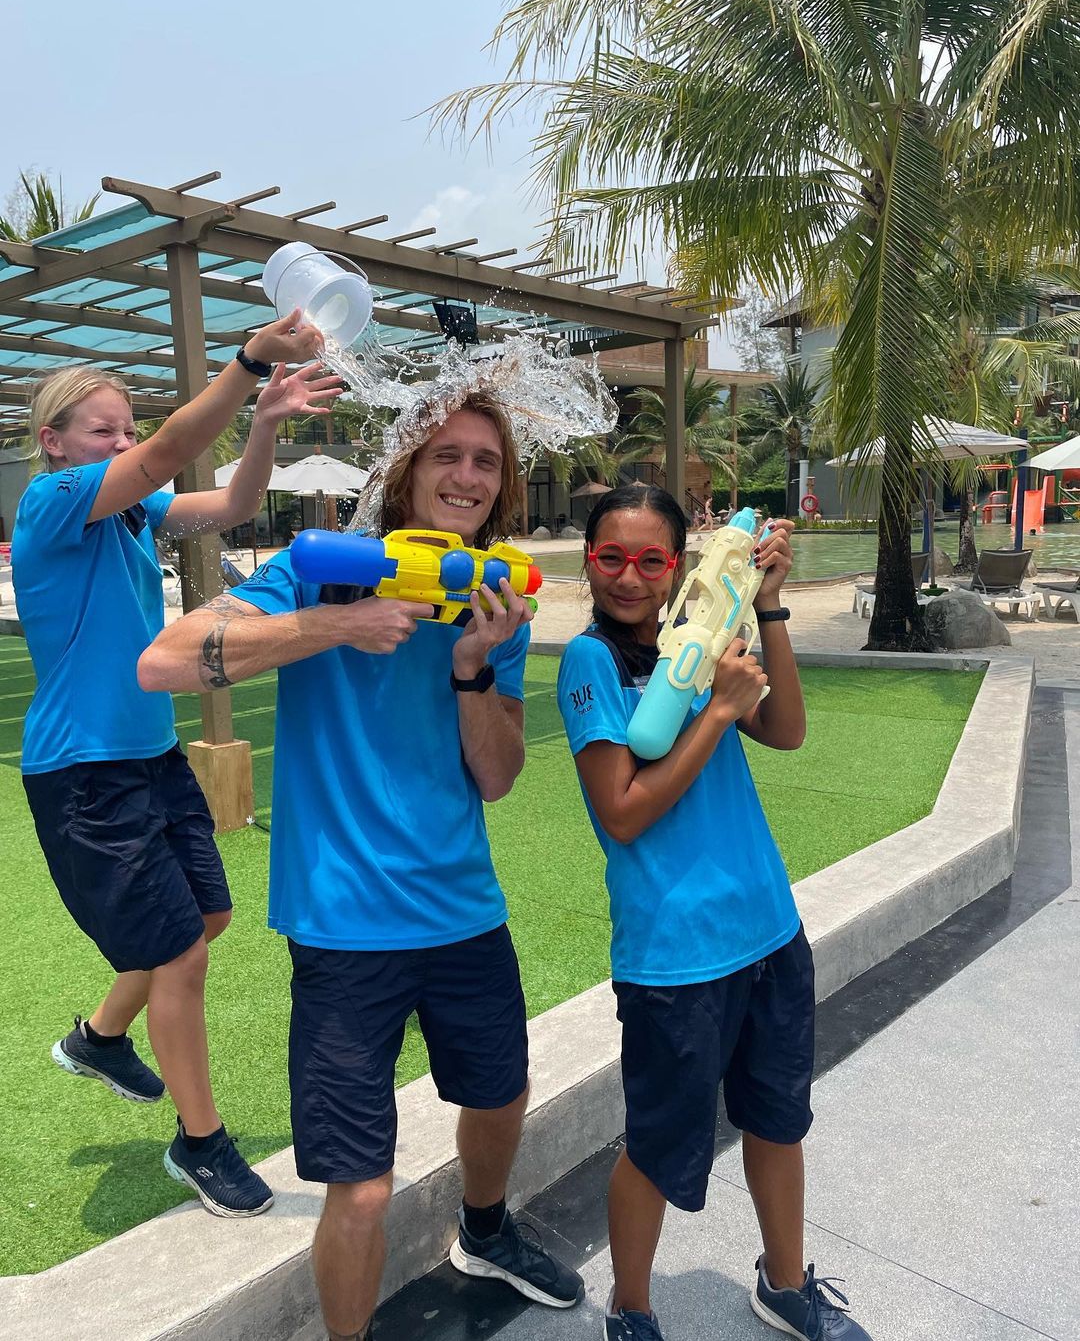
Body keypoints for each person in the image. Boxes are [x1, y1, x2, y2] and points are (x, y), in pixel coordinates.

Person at [138, 388, 583, 1341]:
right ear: (408, 471)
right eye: (446, 456)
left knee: (501, 1097)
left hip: (464, 908)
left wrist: (474, 665)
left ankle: (486, 1229)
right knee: (365, 1191)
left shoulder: (490, 598)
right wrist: (334, 626)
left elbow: (498, 777)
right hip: (343, 929)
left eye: (486, 462)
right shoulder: (318, 576)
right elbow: (165, 662)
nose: (466, 476)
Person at [15, 312, 340, 1217]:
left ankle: (100, 1036)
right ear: (55, 444)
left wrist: (266, 423)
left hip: (151, 758)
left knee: (209, 913)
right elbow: (162, 455)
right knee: (183, 954)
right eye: (100, 431)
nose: (120, 443)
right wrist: (245, 363)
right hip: (83, 773)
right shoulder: (52, 503)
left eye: (123, 427)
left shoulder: (131, 516)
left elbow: (231, 507)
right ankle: (201, 1145)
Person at [556, 484, 874, 1341]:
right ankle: (631, 1307)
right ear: (588, 560)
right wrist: (720, 708)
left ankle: (785, 1283)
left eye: (651, 559)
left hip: (767, 928)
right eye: (611, 557)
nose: (629, 577)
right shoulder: (590, 664)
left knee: (777, 1118)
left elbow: (789, 731)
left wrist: (767, 610)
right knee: (658, 1145)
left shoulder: (698, 635)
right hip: (675, 954)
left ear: (677, 567)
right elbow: (623, 809)